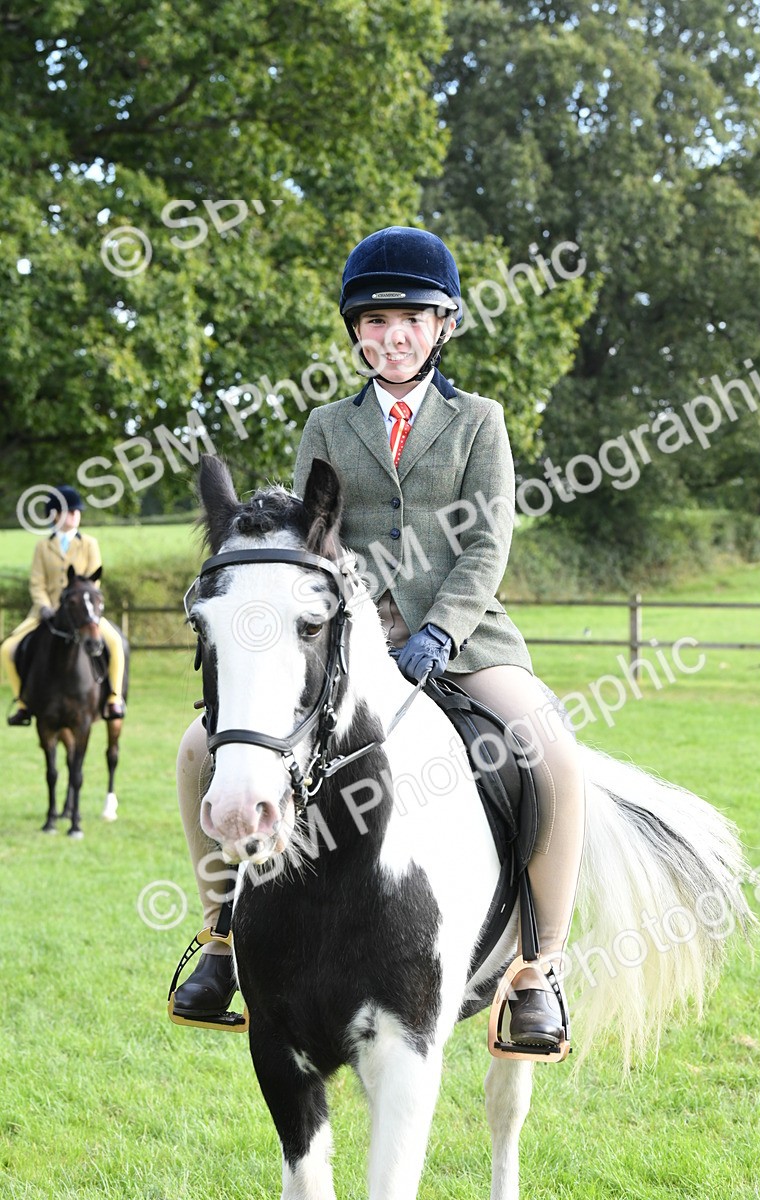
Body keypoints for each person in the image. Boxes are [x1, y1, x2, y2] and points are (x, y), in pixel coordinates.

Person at [173, 227, 585, 1051]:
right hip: (350, 647)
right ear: (356, 331)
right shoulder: (328, 423)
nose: (393, 336)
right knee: (195, 750)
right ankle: (220, 936)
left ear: (443, 327)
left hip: (464, 638)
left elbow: (487, 543)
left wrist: (438, 630)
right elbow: (307, 544)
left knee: (553, 753)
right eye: (375, 321)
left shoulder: (480, 421)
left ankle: (537, 970)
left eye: (411, 320)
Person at [1, 485, 126, 724]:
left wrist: (86, 606)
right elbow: (37, 582)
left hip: (82, 612)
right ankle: (22, 704)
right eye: (70, 511)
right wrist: (44, 606)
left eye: (76, 511)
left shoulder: (89, 543)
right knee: (7, 649)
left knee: (115, 642)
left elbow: (93, 581)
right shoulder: (43, 546)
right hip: (45, 612)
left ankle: (114, 698)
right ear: (55, 515)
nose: (75, 515)